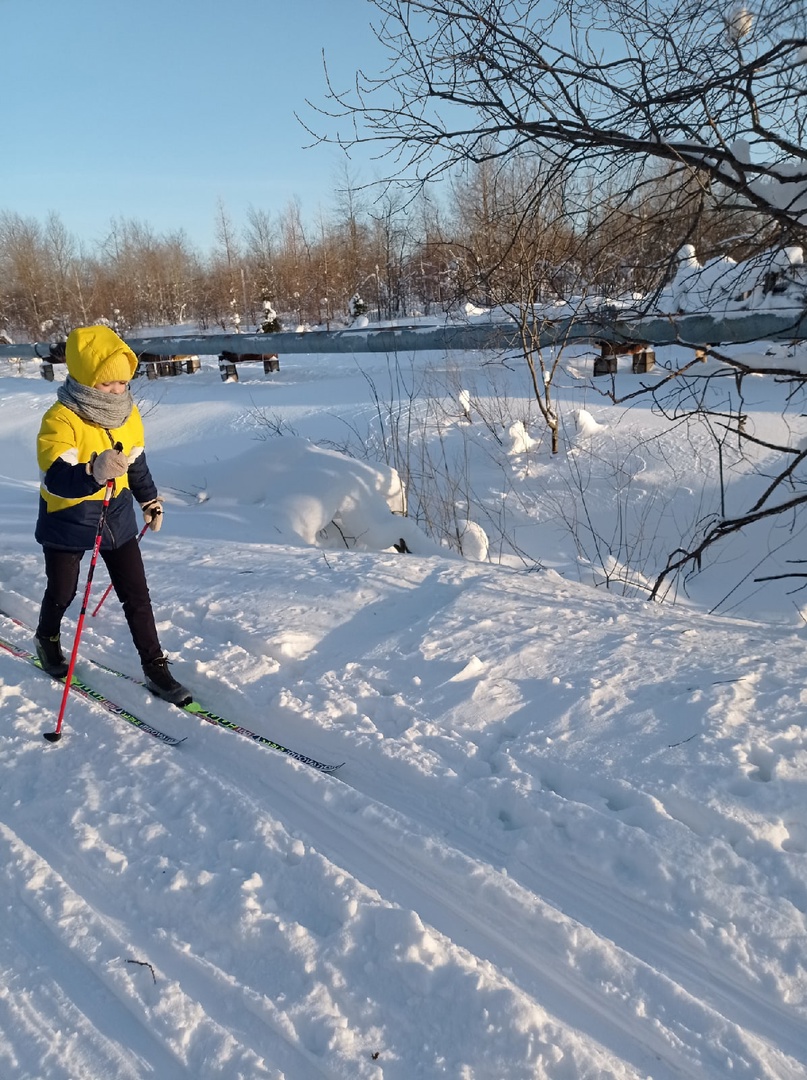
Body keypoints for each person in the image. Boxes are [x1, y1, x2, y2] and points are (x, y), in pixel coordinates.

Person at [34, 324, 191, 706]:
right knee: (62, 591)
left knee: (137, 594)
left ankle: (155, 667)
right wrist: (93, 471)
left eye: (123, 382)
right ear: (86, 378)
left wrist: (149, 501)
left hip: (116, 514)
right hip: (69, 517)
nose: (118, 391)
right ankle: (47, 637)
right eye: (108, 384)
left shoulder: (128, 413)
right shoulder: (61, 418)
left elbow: (136, 463)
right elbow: (56, 477)